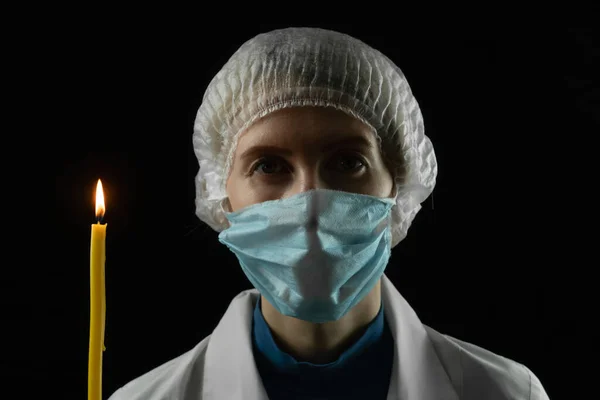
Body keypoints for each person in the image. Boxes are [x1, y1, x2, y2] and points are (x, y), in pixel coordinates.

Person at [109, 27, 549, 400]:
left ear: (399, 180)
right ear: (220, 195)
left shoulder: (507, 391)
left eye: (346, 161)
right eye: (268, 166)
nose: (310, 201)